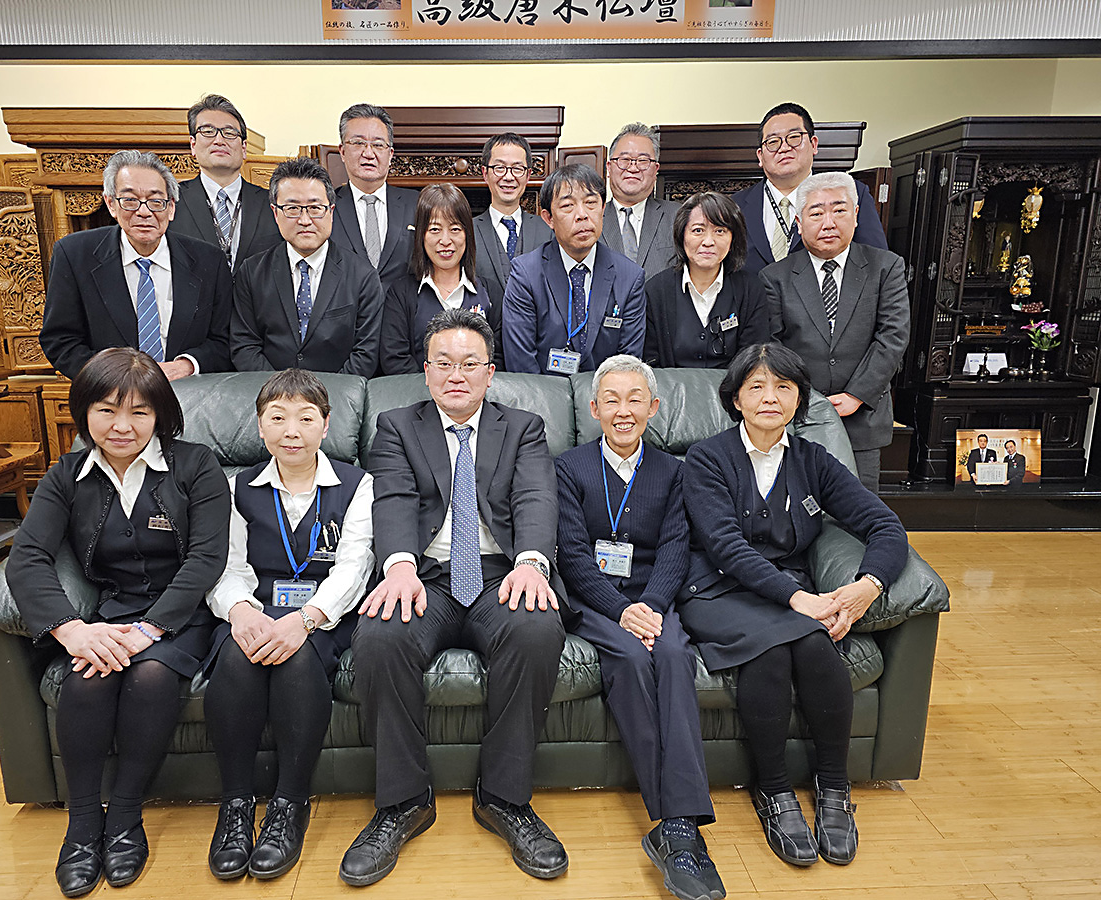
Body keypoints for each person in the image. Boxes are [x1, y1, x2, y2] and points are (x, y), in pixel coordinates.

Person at [340, 308, 569, 886]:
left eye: (470, 364)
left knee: (538, 628)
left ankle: (504, 798)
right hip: (427, 576)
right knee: (380, 636)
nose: (456, 374)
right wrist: (396, 566)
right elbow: (391, 498)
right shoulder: (396, 425)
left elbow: (537, 498)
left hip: (501, 572)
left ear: (490, 373)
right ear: (425, 371)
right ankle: (403, 801)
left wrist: (532, 563)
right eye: (443, 363)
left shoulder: (523, 427)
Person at [675, 342, 908, 869]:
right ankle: (775, 794)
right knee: (785, 645)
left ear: (800, 399)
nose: (770, 398)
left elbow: (884, 525)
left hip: (788, 593)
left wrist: (867, 584)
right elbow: (725, 547)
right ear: (735, 398)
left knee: (816, 649)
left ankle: (833, 789)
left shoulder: (812, 459)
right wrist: (803, 600)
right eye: (756, 386)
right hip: (717, 589)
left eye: (783, 387)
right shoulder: (707, 458)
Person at [6, 347, 230, 897]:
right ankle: (82, 826)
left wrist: (150, 629)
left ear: (161, 416)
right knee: (84, 679)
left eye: (139, 412)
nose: (122, 426)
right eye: (106, 410)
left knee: (151, 677)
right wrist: (70, 629)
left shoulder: (196, 465)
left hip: (182, 615)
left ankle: (126, 816)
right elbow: (27, 557)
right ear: (83, 412)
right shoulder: (66, 475)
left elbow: (206, 559)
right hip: (108, 613)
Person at [555, 355, 725, 900]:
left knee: (674, 655)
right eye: (613, 400)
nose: (623, 411)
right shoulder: (569, 467)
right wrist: (622, 611)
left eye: (636, 400)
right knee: (629, 658)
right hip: (595, 602)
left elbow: (678, 546)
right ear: (594, 408)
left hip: (655, 599)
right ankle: (679, 824)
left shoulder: (676, 470)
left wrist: (650, 606)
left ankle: (675, 827)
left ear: (653, 408)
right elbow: (574, 556)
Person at [204, 369, 375, 881]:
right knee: (237, 658)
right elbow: (224, 565)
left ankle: (288, 805)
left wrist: (306, 619)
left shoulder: (357, 483)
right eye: (277, 418)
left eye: (305, 418)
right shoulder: (236, 487)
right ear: (259, 427)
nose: (291, 431)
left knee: (297, 658)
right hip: (252, 610)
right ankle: (235, 806)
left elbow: (355, 566)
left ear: (326, 425)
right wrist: (241, 612)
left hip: (325, 616)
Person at [760, 172, 910, 494]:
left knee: (860, 511)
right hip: (798, 416)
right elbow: (772, 345)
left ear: (855, 216)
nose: (828, 222)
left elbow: (893, 336)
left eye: (839, 210)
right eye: (816, 213)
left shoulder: (886, 267)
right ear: (799, 223)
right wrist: (802, 398)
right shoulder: (775, 277)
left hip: (863, 419)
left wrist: (857, 394)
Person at [40, 150, 233, 380]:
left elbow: (225, 340)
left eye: (156, 201)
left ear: (170, 208)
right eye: (130, 200)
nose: (144, 212)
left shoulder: (209, 261)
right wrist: (119, 377)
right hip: (109, 396)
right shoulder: (74, 255)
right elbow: (60, 341)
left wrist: (186, 366)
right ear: (111, 204)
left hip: (190, 395)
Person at [230, 157, 384, 375]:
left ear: (331, 211)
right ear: (276, 213)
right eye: (292, 208)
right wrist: (281, 393)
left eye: (315, 208)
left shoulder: (362, 276)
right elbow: (244, 346)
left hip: (339, 397)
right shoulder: (252, 272)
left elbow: (366, 352)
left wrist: (323, 399)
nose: (304, 220)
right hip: (271, 397)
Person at [503, 164, 646, 375]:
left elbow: (628, 364)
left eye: (590, 203)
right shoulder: (526, 273)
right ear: (548, 218)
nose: (582, 215)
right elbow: (521, 362)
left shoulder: (630, 277)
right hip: (542, 399)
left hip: (604, 401)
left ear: (603, 209)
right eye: (568, 206)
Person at [732, 103, 888, 276]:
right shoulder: (734, 206)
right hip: (752, 303)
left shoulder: (851, 194)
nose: (784, 148)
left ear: (813, 144)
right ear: (760, 156)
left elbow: (875, 265)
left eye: (794, 137)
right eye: (773, 142)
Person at [380, 183, 505, 374]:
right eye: (435, 230)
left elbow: (499, 358)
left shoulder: (491, 293)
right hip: (418, 397)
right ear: (421, 235)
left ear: (467, 234)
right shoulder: (401, 293)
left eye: (455, 229)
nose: (445, 240)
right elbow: (394, 359)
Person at [644, 191, 771, 368]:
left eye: (720, 231)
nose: (708, 241)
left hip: (732, 393)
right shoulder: (656, 290)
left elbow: (754, 358)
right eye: (698, 230)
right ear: (682, 236)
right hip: (671, 393)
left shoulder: (751, 289)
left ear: (733, 238)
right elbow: (650, 360)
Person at [168, 94, 280, 272]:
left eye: (229, 133)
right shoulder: (171, 201)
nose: (219, 140)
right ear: (193, 144)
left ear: (243, 148)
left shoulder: (273, 203)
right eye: (208, 131)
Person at [329, 103, 420, 289]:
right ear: (343, 151)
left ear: (390, 154)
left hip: (404, 315)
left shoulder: (417, 204)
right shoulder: (325, 208)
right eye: (358, 143)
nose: (368, 153)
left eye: (378, 145)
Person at [599, 123, 679, 279]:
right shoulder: (591, 219)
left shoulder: (678, 216)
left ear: (655, 170)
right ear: (609, 168)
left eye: (643, 161)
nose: (633, 168)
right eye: (624, 159)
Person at [473, 133, 553, 288]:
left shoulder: (548, 229)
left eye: (517, 168)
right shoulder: (467, 231)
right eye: (500, 168)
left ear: (528, 175)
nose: (508, 177)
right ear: (485, 173)